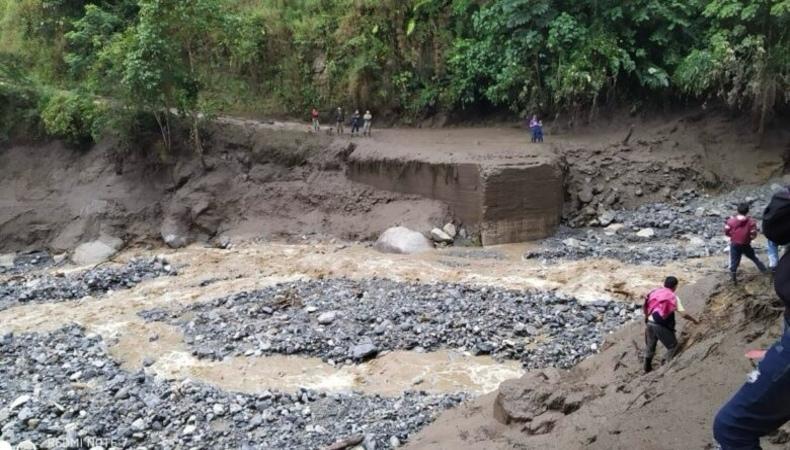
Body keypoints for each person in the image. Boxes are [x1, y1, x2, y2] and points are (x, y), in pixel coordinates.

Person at [713, 189, 790, 449]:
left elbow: (776, 227)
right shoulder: (749, 223)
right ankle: (756, 269)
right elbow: (762, 231)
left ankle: (734, 276)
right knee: (753, 255)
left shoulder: (733, 221)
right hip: (744, 242)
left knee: (731, 427)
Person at [642, 276, 700, 373]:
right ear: (675, 286)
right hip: (660, 324)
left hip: (649, 322)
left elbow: (646, 305)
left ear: (664, 284)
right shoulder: (673, 297)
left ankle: (647, 368)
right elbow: (684, 314)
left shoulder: (654, 292)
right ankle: (665, 365)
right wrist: (694, 320)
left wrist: (647, 319)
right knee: (673, 346)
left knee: (650, 346)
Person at [725, 203, 768, 284]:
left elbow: (727, 231)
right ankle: (764, 271)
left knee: (734, 261)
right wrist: (750, 238)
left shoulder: (731, 221)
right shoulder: (751, 222)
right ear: (748, 211)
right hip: (745, 244)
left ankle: (733, 278)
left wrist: (731, 236)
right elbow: (754, 233)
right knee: (754, 258)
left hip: (735, 244)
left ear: (737, 210)